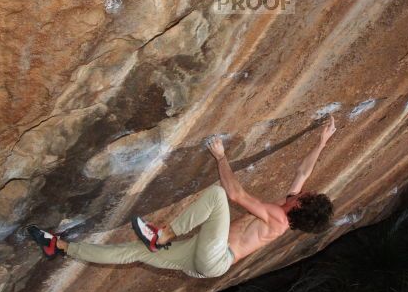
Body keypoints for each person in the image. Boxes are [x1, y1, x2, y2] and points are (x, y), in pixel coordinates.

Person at [27, 116, 337, 278]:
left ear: (301, 205)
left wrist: (220, 157)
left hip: (216, 257)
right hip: (201, 260)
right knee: (133, 253)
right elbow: (302, 173)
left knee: (217, 194)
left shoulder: (278, 218)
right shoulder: (287, 207)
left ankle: (163, 235)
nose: (306, 191)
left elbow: (234, 193)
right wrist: (322, 142)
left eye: (307, 196)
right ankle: (61, 247)